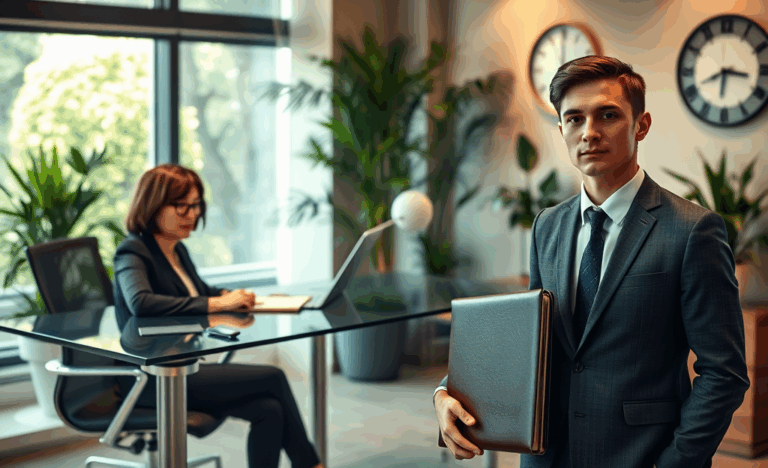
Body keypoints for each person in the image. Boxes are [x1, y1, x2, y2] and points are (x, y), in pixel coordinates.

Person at [433, 56, 749, 468]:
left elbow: (724, 374)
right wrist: (444, 392)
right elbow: (529, 342)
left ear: (642, 125)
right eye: (575, 119)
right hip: (547, 455)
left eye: (608, 115)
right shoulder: (547, 225)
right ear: (561, 129)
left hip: (640, 456)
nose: (590, 133)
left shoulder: (693, 231)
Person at [113, 164, 324, 468]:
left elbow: (196, 291)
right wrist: (217, 303)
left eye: (195, 205)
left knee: (269, 409)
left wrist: (230, 296)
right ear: (153, 204)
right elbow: (141, 303)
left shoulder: (176, 250)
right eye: (180, 205)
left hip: (184, 366)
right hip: (153, 377)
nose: (191, 214)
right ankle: (311, 465)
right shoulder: (132, 251)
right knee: (273, 376)